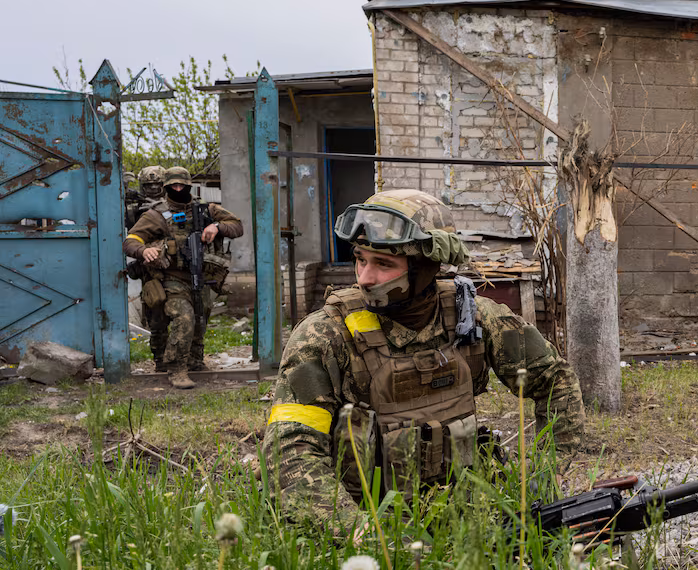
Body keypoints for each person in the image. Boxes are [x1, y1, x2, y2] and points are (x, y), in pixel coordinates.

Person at [261, 189, 584, 533]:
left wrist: (543, 478)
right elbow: (290, 448)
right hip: (367, 525)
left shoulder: (474, 319)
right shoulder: (324, 335)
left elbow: (555, 381)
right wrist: (363, 536)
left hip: (467, 516)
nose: (365, 277)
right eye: (360, 259)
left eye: (384, 264)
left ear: (427, 267)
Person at [123, 166, 242, 387]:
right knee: (184, 316)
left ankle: (195, 362)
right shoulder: (157, 215)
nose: (178, 189)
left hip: (202, 275)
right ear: (166, 187)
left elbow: (237, 226)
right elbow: (131, 241)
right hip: (172, 277)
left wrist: (216, 226)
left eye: (182, 185)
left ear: (189, 186)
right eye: (173, 186)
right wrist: (143, 251)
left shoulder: (207, 210)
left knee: (200, 318)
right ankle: (176, 368)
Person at [126, 165, 171, 361]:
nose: (153, 188)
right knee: (155, 314)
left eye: (157, 184)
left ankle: (189, 357)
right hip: (149, 268)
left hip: (173, 266)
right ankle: (160, 358)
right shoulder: (133, 208)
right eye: (148, 185)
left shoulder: (173, 203)